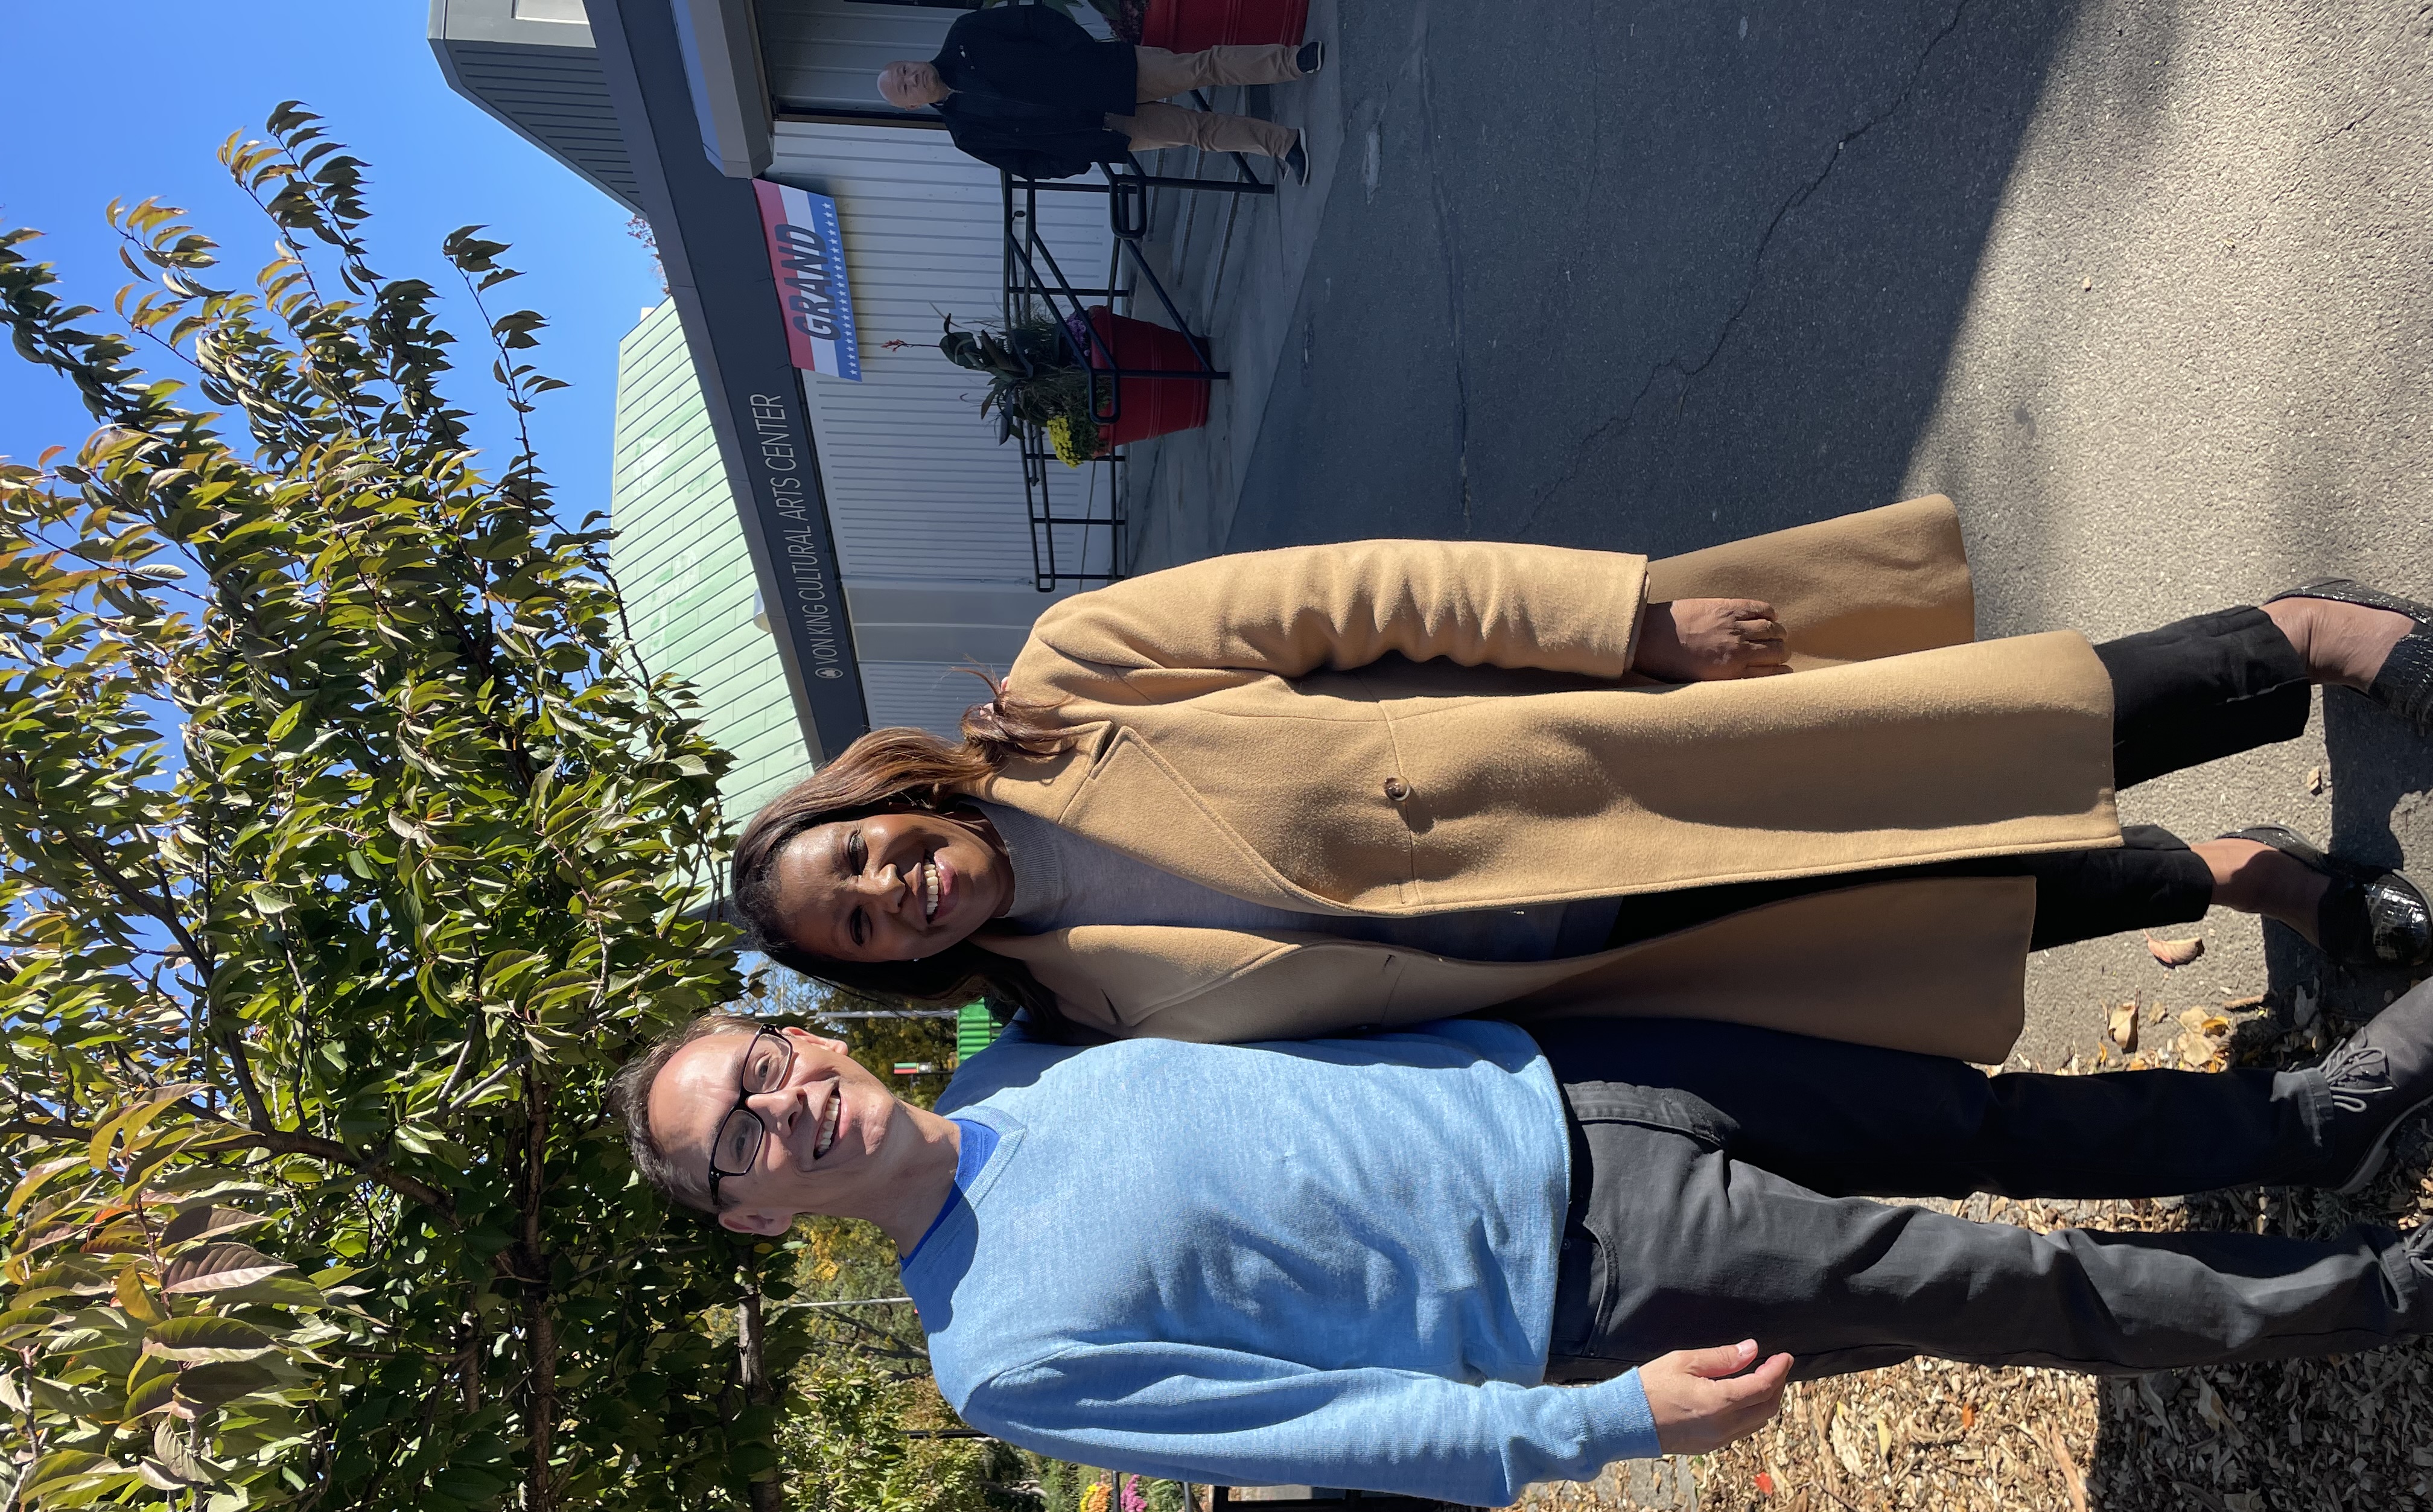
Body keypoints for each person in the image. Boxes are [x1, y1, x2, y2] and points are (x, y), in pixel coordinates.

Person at [728, 496, 2433, 1061]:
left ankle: (2303, 637)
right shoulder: (1080, 1021)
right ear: (890, 972)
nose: (891, 893)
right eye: (862, 931)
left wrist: (1633, 625)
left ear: (889, 802)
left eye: (864, 859)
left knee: (1985, 735)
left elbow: (1367, 590)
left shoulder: (1064, 683)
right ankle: (2250, 877)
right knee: (1944, 912)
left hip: (1616, 758)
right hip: (1607, 958)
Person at [618, 983, 2433, 1504]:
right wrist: (1605, 1424)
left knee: (1982, 1116)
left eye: (766, 1067)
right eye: (743, 1139)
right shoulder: (992, 1357)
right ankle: (2387, 1297)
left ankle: (2317, 1130)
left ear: (815, 1036)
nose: (785, 1108)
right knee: (2011, 1288)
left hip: (1588, 1075)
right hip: (1586, 1275)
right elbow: (1312, 1433)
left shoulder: (1035, 1047)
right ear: (758, 1216)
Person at [877, 7, 1319, 185]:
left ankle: (1292, 62)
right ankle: (1285, 144)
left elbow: (1037, 21)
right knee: (1197, 133)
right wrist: (1075, 159)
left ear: (910, 60)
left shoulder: (966, 35)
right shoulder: (967, 134)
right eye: (904, 87)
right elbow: (1027, 166)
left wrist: (1080, 54)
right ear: (912, 105)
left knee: (1203, 67)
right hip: (1101, 130)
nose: (910, 77)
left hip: (1107, 73)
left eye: (904, 69)